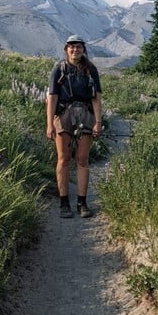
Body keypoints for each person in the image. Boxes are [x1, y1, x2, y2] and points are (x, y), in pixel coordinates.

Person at [46, 35, 102, 218]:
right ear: (66, 49)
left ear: (83, 49)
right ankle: (64, 202)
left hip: (85, 115)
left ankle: (81, 202)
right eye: (72, 47)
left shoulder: (91, 70)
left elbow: (96, 97)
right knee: (63, 158)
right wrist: (49, 124)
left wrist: (98, 122)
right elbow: (52, 98)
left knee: (82, 159)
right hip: (63, 116)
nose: (75, 50)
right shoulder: (58, 69)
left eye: (78, 47)